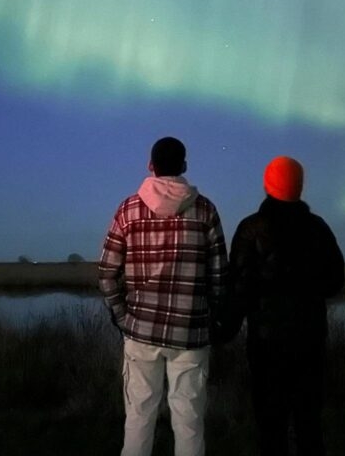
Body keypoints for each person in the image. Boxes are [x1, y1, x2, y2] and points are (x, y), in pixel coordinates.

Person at [99, 136, 229, 456]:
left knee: (139, 418)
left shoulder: (128, 209)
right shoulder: (205, 211)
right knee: (189, 422)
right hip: (191, 333)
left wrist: (121, 316)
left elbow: (106, 273)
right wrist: (209, 317)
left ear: (150, 166)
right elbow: (219, 277)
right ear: (184, 166)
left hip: (141, 332)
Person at [229, 156, 345, 456]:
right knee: (309, 423)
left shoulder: (250, 229)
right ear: (300, 186)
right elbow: (335, 282)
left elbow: (239, 288)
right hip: (310, 340)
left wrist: (224, 328)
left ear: (268, 185)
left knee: (270, 426)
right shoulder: (318, 229)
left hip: (266, 344)